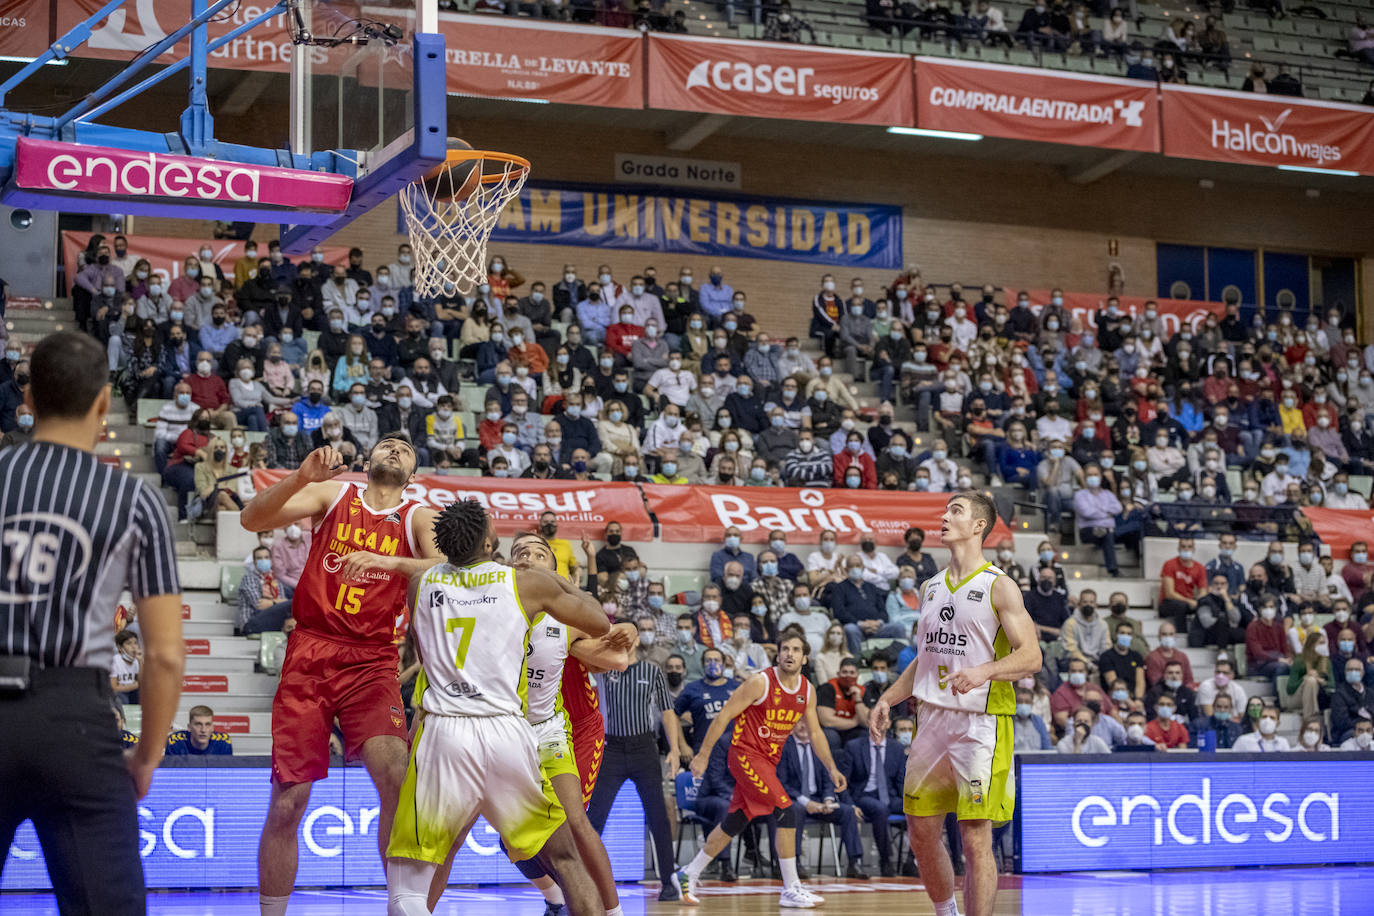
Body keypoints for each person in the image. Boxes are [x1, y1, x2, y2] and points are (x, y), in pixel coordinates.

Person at [0, 332, 184, 914]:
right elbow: (164, 655)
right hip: (76, 721)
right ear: (105, 402)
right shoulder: (134, 500)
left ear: (27, 396)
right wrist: (147, 756)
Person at [239, 436, 443, 915]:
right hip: (310, 652)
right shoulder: (334, 496)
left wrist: (388, 561)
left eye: (405, 450)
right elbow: (251, 520)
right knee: (290, 799)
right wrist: (301, 477)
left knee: (395, 775)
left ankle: (402, 905)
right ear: (368, 460)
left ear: (412, 475)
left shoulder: (417, 516)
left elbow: (448, 567)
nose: (394, 450)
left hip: (372, 660)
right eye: (386, 444)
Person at [382, 501, 608, 916]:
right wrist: (556, 578)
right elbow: (599, 623)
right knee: (565, 859)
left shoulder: (421, 585)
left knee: (413, 884)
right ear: (489, 541)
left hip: (444, 733)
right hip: (506, 731)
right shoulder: (524, 584)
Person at [870, 492, 1041, 916]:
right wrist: (889, 697)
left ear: (979, 525)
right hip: (931, 719)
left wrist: (984, 671)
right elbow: (926, 661)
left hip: (980, 722)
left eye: (955, 511)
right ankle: (946, 911)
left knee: (974, 834)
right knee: (920, 828)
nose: (944, 517)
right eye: (946, 510)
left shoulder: (998, 585)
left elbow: (1031, 656)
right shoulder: (929, 587)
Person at [678, 633, 844, 909]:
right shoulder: (760, 682)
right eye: (785, 649)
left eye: (796, 650)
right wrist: (703, 755)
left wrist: (832, 768)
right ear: (778, 655)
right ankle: (791, 888)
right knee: (785, 810)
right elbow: (723, 716)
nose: (789, 654)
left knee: (735, 821)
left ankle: (688, 873)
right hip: (744, 756)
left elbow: (815, 733)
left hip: (767, 762)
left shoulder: (807, 690)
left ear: (805, 658)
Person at [587, 612, 686, 901]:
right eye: (619, 635)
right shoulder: (603, 668)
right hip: (612, 749)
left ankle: (668, 881)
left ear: (638, 640)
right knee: (595, 819)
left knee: (658, 817)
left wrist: (675, 751)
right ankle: (587, 880)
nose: (625, 641)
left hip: (645, 748)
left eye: (630, 636)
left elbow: (668, 712)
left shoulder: (652, 671)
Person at [778, 718, 868, 879]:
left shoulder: (819, 746)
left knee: (847, 811)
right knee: (795, 810)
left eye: (806, 722)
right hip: (795, 800)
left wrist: (827, 799)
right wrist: (807, 803)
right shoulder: (783, 747)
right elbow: (781, 783)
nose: (804, 725)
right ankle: (795, 863)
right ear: (791, 726)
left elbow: (828, 778)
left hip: (818, 799)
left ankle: (855, 863)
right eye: (799, 722)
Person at [844, 717, 908, 877]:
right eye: (875, 719)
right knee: (880, 809)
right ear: (868, 722)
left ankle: (911, 862)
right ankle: (885, 861)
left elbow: (901, 782)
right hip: (864, 795)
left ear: (889, 723)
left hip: (890, 796)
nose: (879, 723)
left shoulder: (897, 748)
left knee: (918, 808)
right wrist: (851, 805)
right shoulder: (854, 746)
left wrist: (910, 802)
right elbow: (844, 781)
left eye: (883, 719)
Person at [675, 649, 740, 752]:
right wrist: (683, 745)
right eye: (708, 660)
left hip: (734, 748)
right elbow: (673, 715)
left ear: (723, 664)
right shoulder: (692, 688)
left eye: (716, 660)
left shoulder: (737, 687)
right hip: (704, 749)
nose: (712, 664)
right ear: (702, 664)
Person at [164, 705, 234, 756]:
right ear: (189, 727)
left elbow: (225, 774)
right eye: (198, 724)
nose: (203, 730)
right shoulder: (175, 742)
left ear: (212, 727)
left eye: (207, 724)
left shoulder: (223, 743)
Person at [110, 628, 141, 705]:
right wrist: (135, 685)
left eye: (135, 643)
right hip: (119, 693)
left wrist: (141, 662)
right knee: (121, 698)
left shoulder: (137, 660)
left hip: (130, 691)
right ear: (120, 648)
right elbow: (114, 687)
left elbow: (142, 683)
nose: (134, 647)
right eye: (129, 643)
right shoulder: (115, 661)